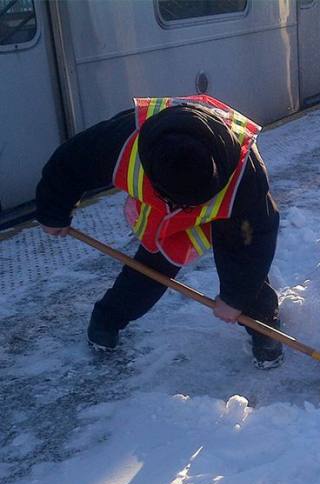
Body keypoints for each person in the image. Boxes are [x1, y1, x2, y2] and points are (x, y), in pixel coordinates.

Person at [35, 94, 283, 369]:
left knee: (244, 269)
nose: (185, 209)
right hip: (162, 209)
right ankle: (108, 319)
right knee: (154, 262)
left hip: (230, 214)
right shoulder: (125, 140)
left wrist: (235, 298)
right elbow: (70, 163)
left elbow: (252, 244)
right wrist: (53, 210)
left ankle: (265, 329)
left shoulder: (246, 176)